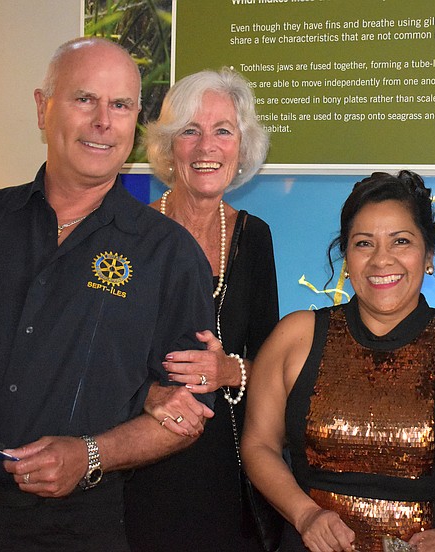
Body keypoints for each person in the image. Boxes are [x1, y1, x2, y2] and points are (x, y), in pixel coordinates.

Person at [0, 37, 216, 551]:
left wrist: (91, 454)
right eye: (86, 99)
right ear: (43, 108)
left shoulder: (167, 256)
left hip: (75, 530)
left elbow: (186, 412)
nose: (104, 121)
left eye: (121, 105)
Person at [241, 170, 435, 552]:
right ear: (346, 257)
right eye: (364, 243)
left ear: (429, 255)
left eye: (401, 241)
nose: (382, 260)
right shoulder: (296, 336)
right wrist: (306, 515)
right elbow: (258, 445)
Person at [124, 68, 279, 552]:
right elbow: (90, 360)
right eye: (190, 131)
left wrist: (230, 369)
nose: (206, 146)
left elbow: (271, 371)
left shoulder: (255, 238)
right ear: (170, 147)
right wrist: (148, 394)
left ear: (242, 147)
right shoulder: (128, 235)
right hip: (134, 466)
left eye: (223, 131)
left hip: (223, 476)